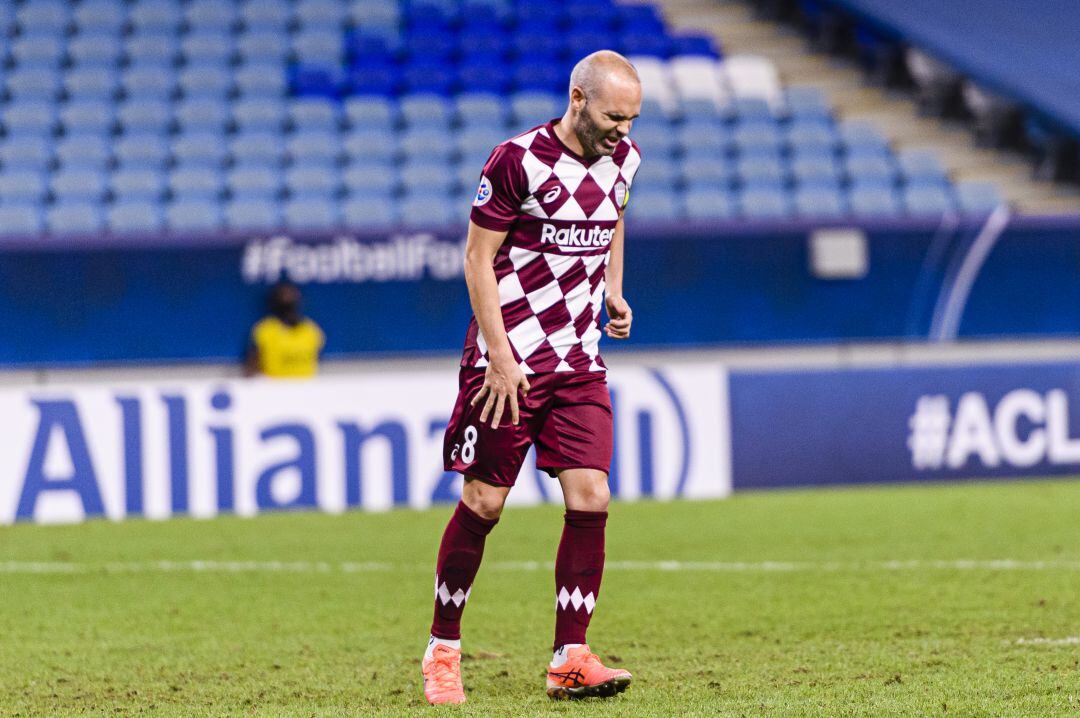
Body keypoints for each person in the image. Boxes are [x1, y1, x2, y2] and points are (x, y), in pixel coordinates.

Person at [421, 50, 643, 704]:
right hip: (510, 361)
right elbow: (476, 258)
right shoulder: (517, 160)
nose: (622, 131)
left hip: (578, 358)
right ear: (578, 98)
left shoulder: (625, 159)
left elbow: (614, 218)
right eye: (612, 116)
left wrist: (613, 289)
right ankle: (443, 648)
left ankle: (570, 657)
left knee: (592, 497)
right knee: (484, 503)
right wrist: (497, 352)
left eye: (631, 119)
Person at [244, 280, 325, 378]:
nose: (287, 299)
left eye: (291, 296)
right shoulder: (265, 330)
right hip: (275, 387)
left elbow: (318, 358)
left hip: (306, 386)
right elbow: (251, 368)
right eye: (283, 296)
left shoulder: (311, 330)